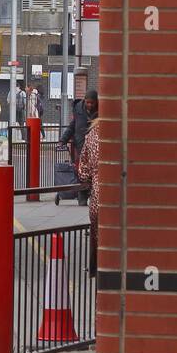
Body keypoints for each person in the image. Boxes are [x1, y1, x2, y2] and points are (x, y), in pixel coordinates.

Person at [76, 90, 100, 274]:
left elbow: (83, 169)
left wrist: (87, 179)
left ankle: (95, 268)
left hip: (97, 197)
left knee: (97, 234)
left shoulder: (93, 135)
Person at [59, 90, 95, 204]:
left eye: (92, 103)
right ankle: (82, 195)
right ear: (84, 101)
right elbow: (72, 125)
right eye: (88, 102)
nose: (89, 105)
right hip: (80, 145)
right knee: (81, 172)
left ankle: (91, 194)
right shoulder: (78, 109)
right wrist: (63, 140)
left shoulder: (100, 111)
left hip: (94, 147)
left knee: (92, 172)